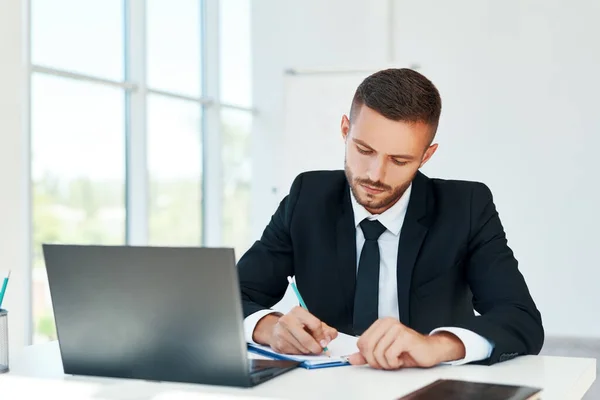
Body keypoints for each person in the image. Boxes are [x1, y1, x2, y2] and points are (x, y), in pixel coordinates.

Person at [237, 68, 544, 370]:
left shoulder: (466, 207)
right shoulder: (308, 198)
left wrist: (436, 346)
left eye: (399, 160)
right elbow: (234, 297)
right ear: (345, 130)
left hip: (425, 389)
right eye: (364, 150)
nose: (375, 174)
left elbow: (520, 319)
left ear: (426, 156)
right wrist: (269, 326)